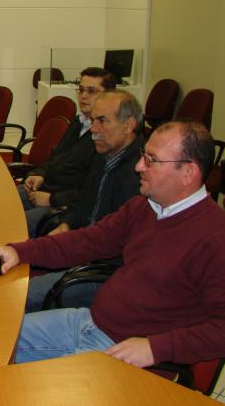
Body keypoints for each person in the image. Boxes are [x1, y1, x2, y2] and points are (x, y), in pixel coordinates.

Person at [0, 120, 225, 373]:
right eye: (142, 156)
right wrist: (18, 251)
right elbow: (88, 241)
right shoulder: (146, 207)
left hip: (128, 356)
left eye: (151, 160)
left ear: (188, 173)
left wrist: (155, 348)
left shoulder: (219, 242)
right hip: (89, 323)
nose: (138, 167)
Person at [25, 91, 144, 311]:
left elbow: (117, 245)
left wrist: (67, 247)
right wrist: (66, 224)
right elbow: (83, 203)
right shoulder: (104, 155)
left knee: (22, 295)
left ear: (128, 125)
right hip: (81, 245)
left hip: (103, 269)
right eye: (92, 121)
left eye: (102, 121)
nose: (93, 129)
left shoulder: (139, 176)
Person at [19, 67, 117, 237]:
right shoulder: (79, 122)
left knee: (13, 225)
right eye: (81, 90)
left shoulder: (106, 138)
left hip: (64, 205)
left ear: (109, 96)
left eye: (91, 91)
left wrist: (51, 198)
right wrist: (40, 173)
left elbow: (91, 191)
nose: (84, 96)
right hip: (46, 188)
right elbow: (56, 157)